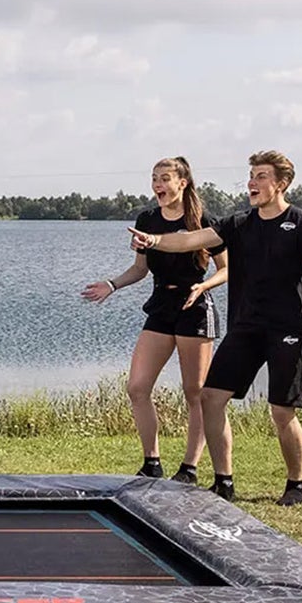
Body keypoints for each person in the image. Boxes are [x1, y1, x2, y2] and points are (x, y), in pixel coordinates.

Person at [128, 150, 302, 506]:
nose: (252, 183)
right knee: (210, 397)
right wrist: (156, 240)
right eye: (251, 175)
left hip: (289, 329)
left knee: (281, 412)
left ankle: (295, 484)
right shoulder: (239, 224)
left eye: (261, 176)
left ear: (281, 184)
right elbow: (192, 239)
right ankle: (224, 482)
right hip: (246, 328)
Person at [82, 157, 228, 483]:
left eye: (165, 178)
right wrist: (112, 284)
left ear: (183, 182)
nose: (158, 185)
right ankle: (152, 463)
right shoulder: (147, 218)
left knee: (195, 392)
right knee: (137, 387)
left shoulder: (204, 220)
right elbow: (140, 269)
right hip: (161, 306)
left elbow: (227, 269)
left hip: (195, 307)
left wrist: (203, 285)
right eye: (154, 179)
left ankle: (189, 468)